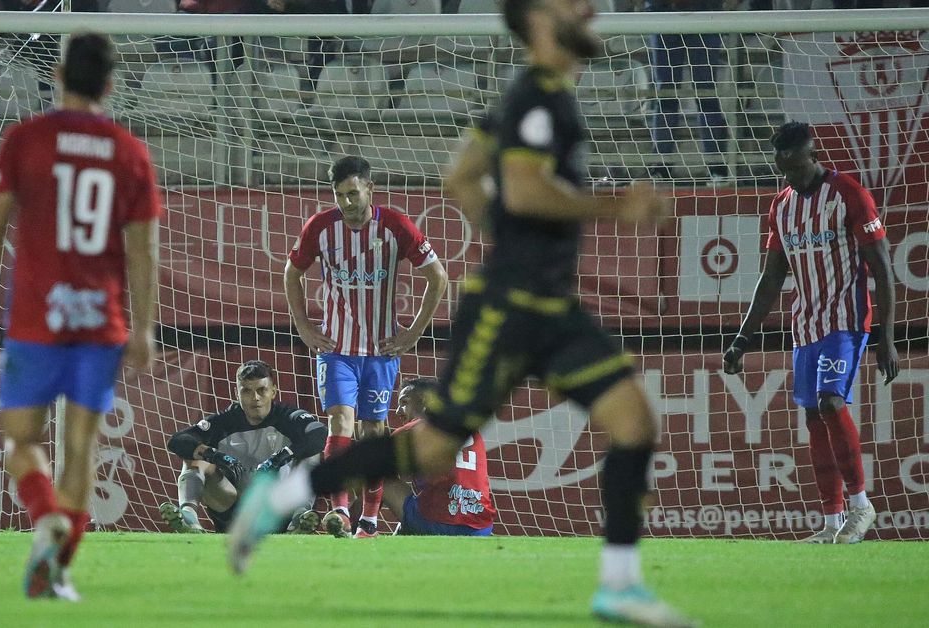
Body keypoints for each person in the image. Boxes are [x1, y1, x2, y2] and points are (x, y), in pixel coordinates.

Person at [231, 1, 694, 625]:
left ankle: (618, 585)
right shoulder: (538, 97)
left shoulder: (524, 98)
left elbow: (463, 177)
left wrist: (513, 239)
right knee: (428, 452)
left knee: (634, 421)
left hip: (549, 306)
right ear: (537, 19)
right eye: (571, 2)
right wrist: (619, 207)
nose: (589, 7)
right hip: (506, 309)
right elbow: (524, 189)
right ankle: (284, 494)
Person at [0, 32, 161, 601]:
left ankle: (45, 518)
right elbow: (143, 251)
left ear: (57, 74)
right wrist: (144, 325)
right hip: (100, 324)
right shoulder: (129, 152)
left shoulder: (25, 139)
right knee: (82, 449)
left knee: (21, 440)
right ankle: (57, 565)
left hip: (35, 320)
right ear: (110, 83)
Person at [723, 121, 899, 545]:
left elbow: (882, 268)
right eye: (783, 160)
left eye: (797, 158)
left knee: (830, 401)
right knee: (813, 418)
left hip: (846, 319)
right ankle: (831, 522)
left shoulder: (849, 194)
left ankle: (861, 505)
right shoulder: (781, 206)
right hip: (805, 326)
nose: (790, 166)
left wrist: (886, 337)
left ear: (810, 154)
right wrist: (742, 339)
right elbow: (770, 280)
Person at [285, 155, 448, 538]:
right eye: (340, 195)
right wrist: (305, 327)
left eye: (353, 193)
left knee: (373, 431)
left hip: (381, 349)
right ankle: (340, 511)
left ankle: (370, 521)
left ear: (369, 189)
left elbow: (437, 277)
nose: (346, 203)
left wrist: (414, 333)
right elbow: (292, 273)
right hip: (336, 347)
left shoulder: (395, 225)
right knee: (341, 422)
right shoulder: (321, 228)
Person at [161, 360, 328, 534]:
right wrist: (214, 455)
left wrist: (282, 456)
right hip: (233, 511)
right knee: (195, 456)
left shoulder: (287, 417)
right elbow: (178, 441)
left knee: (311, 454)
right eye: (246, 391)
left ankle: (300, 518)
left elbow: (320, 433)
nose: (255, 398)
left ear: (273, 391)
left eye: (261, 390)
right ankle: (188, 517)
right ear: (236, 393)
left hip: (279, 510)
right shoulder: (225, 421)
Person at [634, 0, 735, 184]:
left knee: (706, 93)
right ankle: (660, 168)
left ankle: (717, 169)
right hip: (663, 12)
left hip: (705, 12)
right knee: (665, 94)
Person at [382, 378, 494, 537]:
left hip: (436, 523)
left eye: (404, 402)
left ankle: (358, 524)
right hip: (481, 528)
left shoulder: (412, 431)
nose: (398, 411)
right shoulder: (470, 430)